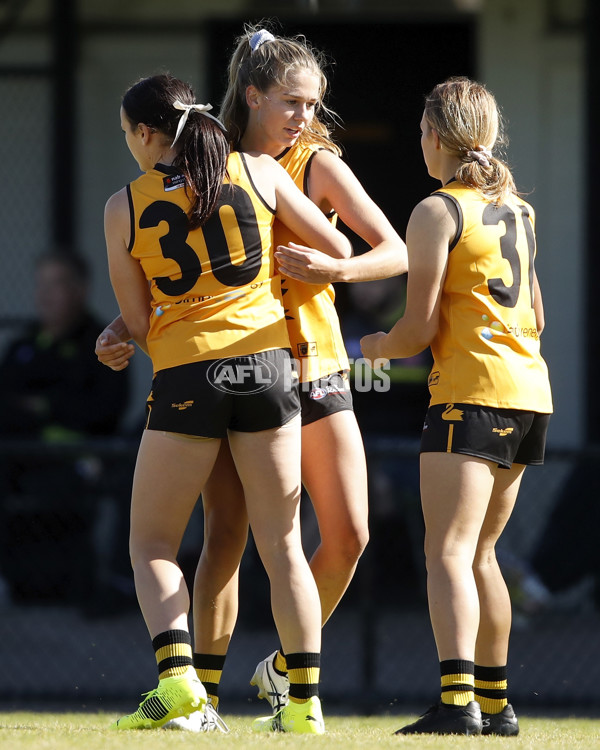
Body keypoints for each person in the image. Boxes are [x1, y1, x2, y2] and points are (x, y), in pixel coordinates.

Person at [97, 23, 407, 727]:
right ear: (253, 95)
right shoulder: (228, 162)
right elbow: (173, 290)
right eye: (294, 102)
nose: (307, 117)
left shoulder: (310, 162)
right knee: (229, 536)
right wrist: (122, 326)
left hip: (311, 363)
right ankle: (207, 696)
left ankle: (282, 672)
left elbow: (390, 251)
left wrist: (339, 268)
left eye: (313, 103)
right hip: (263, 366)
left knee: (346, 534)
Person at [361, 77, 553, 736]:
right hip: (529, 395)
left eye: (421, 132)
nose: (419, 142)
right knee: (483, 555)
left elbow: (414, 333)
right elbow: (537, 315)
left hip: (470, 394)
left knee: (446, 552)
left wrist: (373, 346)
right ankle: (497, 706)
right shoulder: (519, 211)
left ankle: (457, 701)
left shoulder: (438, 210)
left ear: (436, 137)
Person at [0, 250, 130, 608]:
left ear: (80, 289)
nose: (44, 295)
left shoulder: (104, 342)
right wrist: (48, 407)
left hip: (79, 461)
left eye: (55, 284)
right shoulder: (25, 344)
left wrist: (40, 406)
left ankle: (89, 583)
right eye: (41, 284)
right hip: (20, 458)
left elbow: (102, 411)